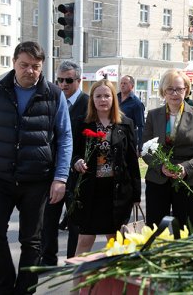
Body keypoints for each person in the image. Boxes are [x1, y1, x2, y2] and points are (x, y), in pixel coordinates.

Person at [0, 41, 72, 294]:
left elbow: (65, 137)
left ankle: (25, 290)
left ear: (42, 67)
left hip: (37, 180)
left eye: (35, 66)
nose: (30, 71)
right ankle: (5, 288)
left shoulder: (54, 95)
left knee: (32, 241)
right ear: (14, 63)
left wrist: (61, 178)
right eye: (24, 65)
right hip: (0, 178)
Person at [71, 79, 141, 255]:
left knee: (115, 239)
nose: (103, 100)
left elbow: (132, 161)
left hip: (117, 191)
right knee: (85, 238)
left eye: (107, 96)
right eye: (98, 96)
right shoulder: (82, 123)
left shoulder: (126, 124)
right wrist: (77, 162)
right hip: (90, 191)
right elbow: (73, 152)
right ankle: (79, 281)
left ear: (113, 98)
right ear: (92, 99)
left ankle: (117, 281)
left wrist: (136, 194)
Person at [142, 69, 193, 230]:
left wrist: (186, 167)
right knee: (155, 230)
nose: (175, 93)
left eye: (179, 89)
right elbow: (145, 149)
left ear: (186, 90)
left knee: (186, 230)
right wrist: (161, 166)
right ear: (163, 92)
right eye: (170, 89)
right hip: (158, 180)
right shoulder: (153, 115)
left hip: (187, 180)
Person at [40, 61, 89, 266]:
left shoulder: (89, 103)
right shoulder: (51, 99)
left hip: (79, 172)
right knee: (48, 218)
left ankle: (73, 261)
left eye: (68, 80)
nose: (63, 84)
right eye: (59, 80)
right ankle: (48, 259)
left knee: (76, 221)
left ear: (79, 80)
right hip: (53, 172)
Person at [117, 75, 145, 153]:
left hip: (128, 140)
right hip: (114, 138)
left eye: (125, 83)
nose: (122, 85)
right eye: (121, 83)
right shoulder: (115, 99)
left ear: (132, 86)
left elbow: (141, 126)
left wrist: (140, 147)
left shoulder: (137, 103)